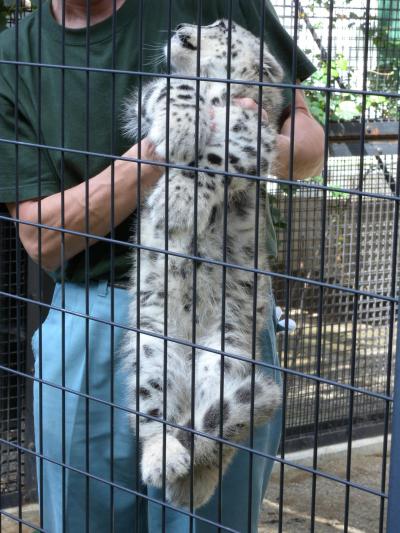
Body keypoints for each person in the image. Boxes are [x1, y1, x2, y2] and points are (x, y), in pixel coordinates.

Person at [0, 0, 324, 531]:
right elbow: (42, 238)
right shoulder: (14, 58)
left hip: (228, 300)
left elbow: (309, 141)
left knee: (208, 511)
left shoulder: (215, 7)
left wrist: (233, 144)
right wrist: (158, 156)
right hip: (95, 314)